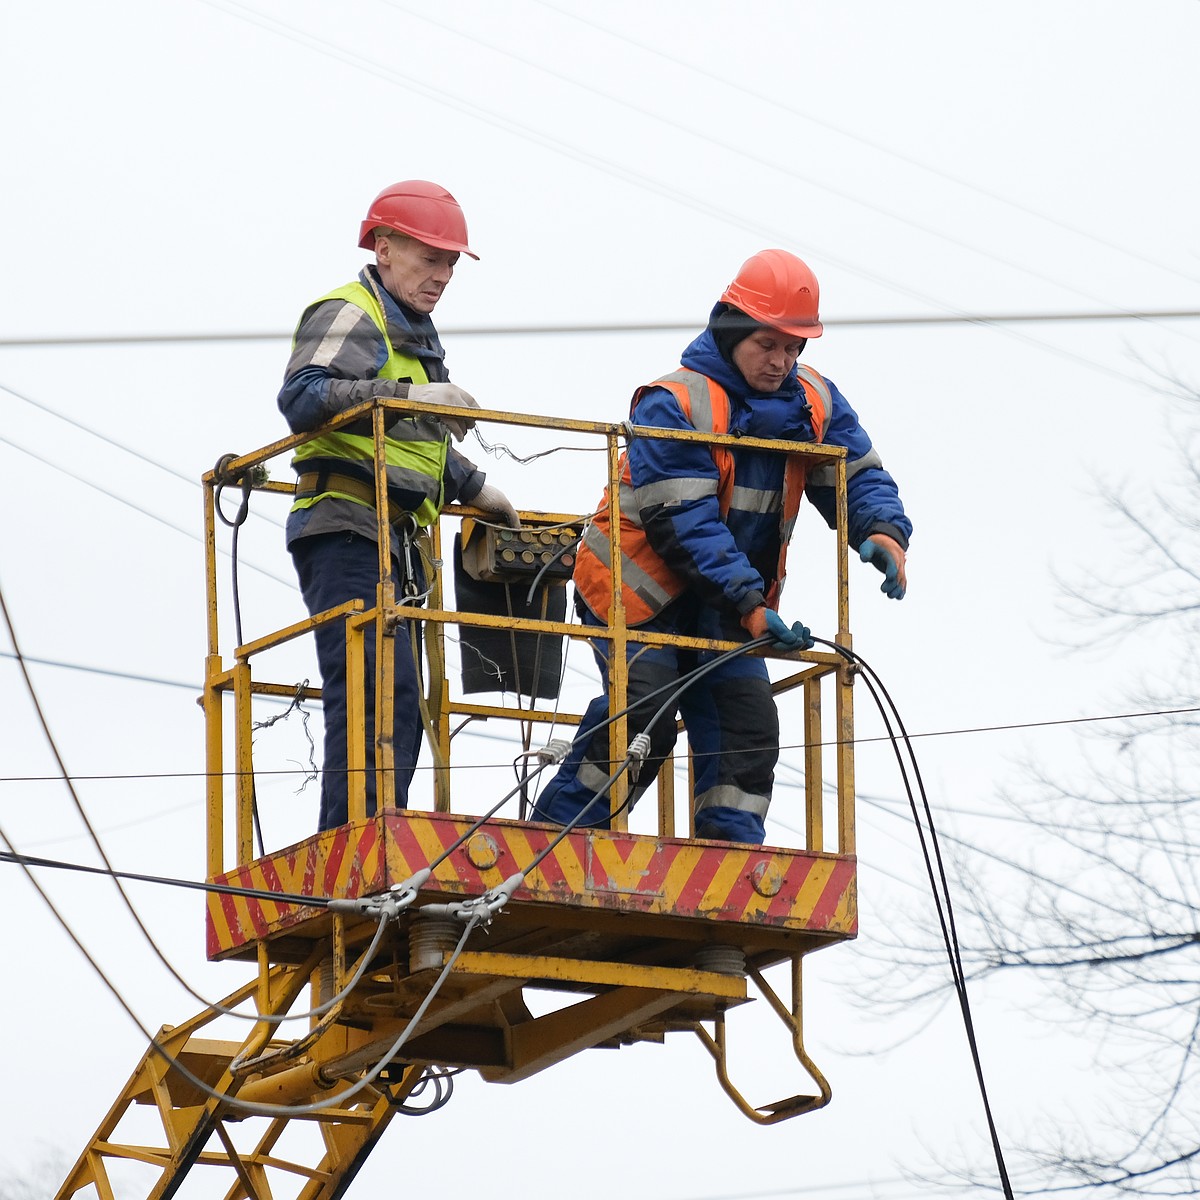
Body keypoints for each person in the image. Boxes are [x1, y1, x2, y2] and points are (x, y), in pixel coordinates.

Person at [532, 249, 911, 845]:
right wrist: (751, 605)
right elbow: (685, 525)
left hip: (728, 603)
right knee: (643, 717)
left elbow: (857, 473)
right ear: (733, 330)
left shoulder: (812, 402)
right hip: (637, 590)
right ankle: (553, 841)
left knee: (747, 727)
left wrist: (882, 529)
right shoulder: (676, 403)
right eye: (768, 344)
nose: (781, 361)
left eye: (794, 348)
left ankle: (728, 859)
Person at [278, 180, 518, 831]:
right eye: (428, 257)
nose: (441, 275)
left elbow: (412, 446)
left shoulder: (414, 336)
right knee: (376, 697)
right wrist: (409, 398)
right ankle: (352, 857)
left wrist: (474, 488)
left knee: (399, 705)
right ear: (383, 248)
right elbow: (303, 399)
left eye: (449, 263)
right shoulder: (353, 312)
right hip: (345, 528)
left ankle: (376, 842)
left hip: (392, 540)